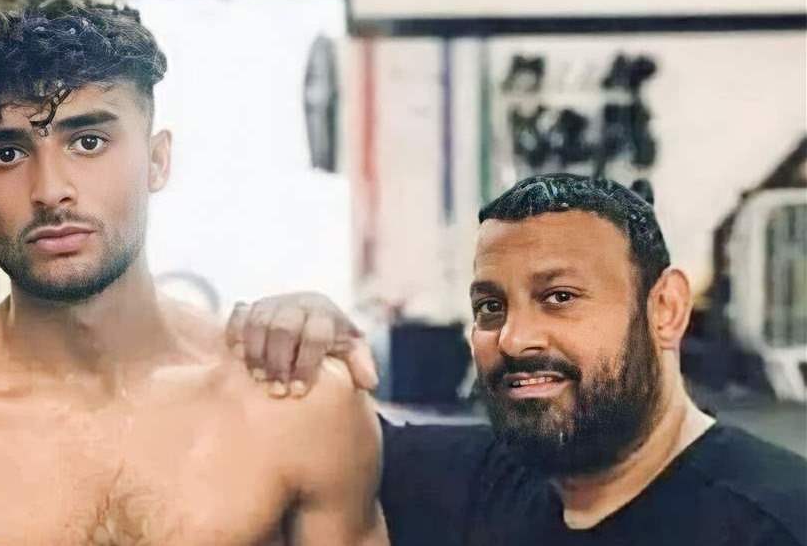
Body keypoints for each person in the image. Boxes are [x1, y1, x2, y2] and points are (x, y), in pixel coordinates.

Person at [0, 0, 388, 545]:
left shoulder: (296, 408)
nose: (50, 190)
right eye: (6, 153)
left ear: (157, 160)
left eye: (88, 142)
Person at [230, 174, 807, 546]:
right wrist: (300, 330)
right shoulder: (469, 480)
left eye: (559, 297)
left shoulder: (774, 523)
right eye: (491, 306)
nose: (513, 337)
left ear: (665, 309)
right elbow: (315, 436)